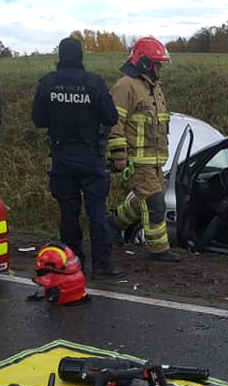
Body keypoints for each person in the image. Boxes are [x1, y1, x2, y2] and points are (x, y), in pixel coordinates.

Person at [31, 37, 122, 279]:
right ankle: (102, 266)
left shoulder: (47, 84)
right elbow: (112, 118)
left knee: (68, 214)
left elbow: (38, 120)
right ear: (81, 57)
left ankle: (74, 264)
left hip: (62, 157)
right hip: (91, 156)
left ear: (60, 57)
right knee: (97, 212)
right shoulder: (94, 83)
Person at [107, 37, 180, 262]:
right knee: (155, 203)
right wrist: (119, 156)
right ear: (145, 63)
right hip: (138, 161)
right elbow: (113, 123)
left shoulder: (154, 87)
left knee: (142, 201)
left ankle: (111, 225)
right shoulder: (125, 86)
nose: (160, 69)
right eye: (158, 64)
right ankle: (158, 250)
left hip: (155, 160)